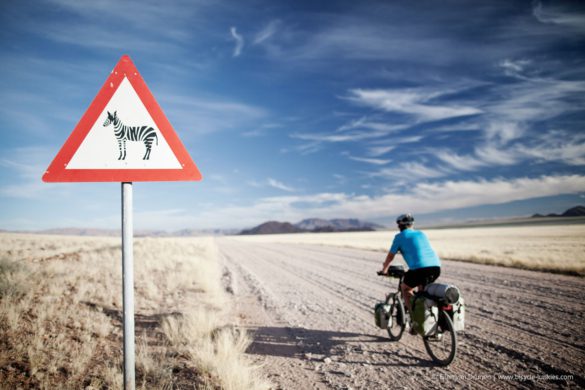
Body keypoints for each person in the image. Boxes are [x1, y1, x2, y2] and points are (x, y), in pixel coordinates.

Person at [378, 213, 441, 317]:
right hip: (436, 267)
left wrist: (384, 269)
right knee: (422, 292)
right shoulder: (421, 234)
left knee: (405, 288)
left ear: (399, 226)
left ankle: (414, 318)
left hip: (419, 269)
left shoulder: (399, 237)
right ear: (412, 225)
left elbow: (390, 257)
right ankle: (425, 317)